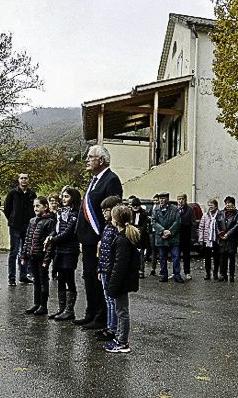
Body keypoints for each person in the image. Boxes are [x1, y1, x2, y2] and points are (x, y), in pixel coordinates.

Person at [76, 145, 123, 330]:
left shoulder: (111, 180)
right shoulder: (94, 180)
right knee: (88, 277)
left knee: (99, 279)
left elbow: (112, 211)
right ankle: (91, 312)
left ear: (101, 160)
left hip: (100, 240)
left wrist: (105, 237)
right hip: (88, 240)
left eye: (90, 157)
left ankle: (101, 317)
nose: (87, 160)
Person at [102, 203, 142, 354]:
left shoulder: (122, 240)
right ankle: (119, 338)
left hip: (121, 282)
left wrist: (113, 284)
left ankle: (122, 341)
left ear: (116, 220)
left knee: (122, 312)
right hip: (123, 281)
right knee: (121, 310)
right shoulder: (123, 236)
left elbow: (120, 265)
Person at [47, 187, 82, 320]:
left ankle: (69, 310)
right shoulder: (61, 212)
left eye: (66, 196)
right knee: (60, 278)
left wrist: (53, 240)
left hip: (70, 249)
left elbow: (68, 232)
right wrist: (50, 236)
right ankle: (61, 308)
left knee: (69, 278)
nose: (63, 199)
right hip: (59, 249)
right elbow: (56, 229)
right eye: (63, 196)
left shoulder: (74, 214)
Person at [95, 195, 125, 341]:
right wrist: (100, 269)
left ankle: (113, 329)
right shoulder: (107, 227)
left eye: (107, 210)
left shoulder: (117, 230)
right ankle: (109, 326)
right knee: (107, 300)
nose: (104, 213)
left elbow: (114, 253)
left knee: (112, 301)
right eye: (103, 211)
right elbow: (103, 251)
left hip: (111, 270)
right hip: (105, 269)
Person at [23, 197, 56, 315]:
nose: (35, 208)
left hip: (42, 257)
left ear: (45, 207)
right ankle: (36, 303)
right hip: (32, 255)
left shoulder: (50, 221)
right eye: (34, 206)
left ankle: (43, 305)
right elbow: (27, 239)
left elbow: (50, 243)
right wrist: (24, 255)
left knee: (43, 280)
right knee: (36, 280)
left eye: (38, 206)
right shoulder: (32, 221)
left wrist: (47, 259)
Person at [3, 173, 37, 285]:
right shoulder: (12, 193)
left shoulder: (32, 194)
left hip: (28, 226)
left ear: (29, 180)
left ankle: (23, 276)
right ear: (18, 180)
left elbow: (35, 208)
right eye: (21, 178)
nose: (24, 180)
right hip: (15, 226)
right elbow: (7, 209)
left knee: (25, 251)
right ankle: (11, 278)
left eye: (26, 178)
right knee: (14, 251)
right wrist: (13, 219)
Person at [150, 193, 183, 283]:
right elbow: (153, 222)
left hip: (173, 237)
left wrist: (170, 232)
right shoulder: (155, 209)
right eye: (160, 198)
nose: (161, 200)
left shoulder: (174, 209)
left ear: (167, 199)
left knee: (175, 257)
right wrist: (162, 231)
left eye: (163, 198)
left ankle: (177, 275)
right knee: (162, 258)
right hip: (161, 237)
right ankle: (163, 275)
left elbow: (178, 221)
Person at [214, 197, 238, 282]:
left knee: (231, 257)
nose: (228, 204)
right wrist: (220, 234)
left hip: (232, 238)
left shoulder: (237, 213)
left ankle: (231, 275)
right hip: (222, 238)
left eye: (230, 203)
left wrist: (228, 234)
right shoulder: (221, 213)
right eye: (226, 203)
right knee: (222, 257)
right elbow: (217, 224)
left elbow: (237, 225)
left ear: (233, 204)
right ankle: (223, 274)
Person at [178, 194, 200, 281]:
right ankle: (176, 272)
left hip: (186, 234)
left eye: (182, 199)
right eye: (179, 199)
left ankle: (187, 272)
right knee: (176, 255)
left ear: (185, 199)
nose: (180, 201)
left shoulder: (190, 209)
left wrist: (193, 237)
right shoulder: (175, 209)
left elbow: (193, 224)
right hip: (177, 235)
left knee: (186, 255)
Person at [197, 199, 220, 281]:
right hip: (207, 239)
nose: (210, 207)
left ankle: (215, 273)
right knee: (207, 257)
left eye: (212, 205)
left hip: (216, 239)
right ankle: (207, 273)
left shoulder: (220, 215)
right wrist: (201, 239)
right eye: (209, 205)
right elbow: (201, 227)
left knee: (217, 257)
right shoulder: (205, 215)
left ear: (216, 206)